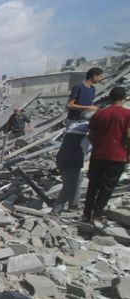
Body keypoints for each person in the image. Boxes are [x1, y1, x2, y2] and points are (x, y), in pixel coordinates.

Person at [83, 87, 130, 227]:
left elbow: (90, 136)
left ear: (110, 97)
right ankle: (97, 216)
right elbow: (128, 136)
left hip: (98, 156)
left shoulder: (99, 114)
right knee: (107, 187)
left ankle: (86, 214)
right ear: (124, 98)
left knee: (93, 185)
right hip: (117, 157)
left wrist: (98, 147)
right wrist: (128, 153)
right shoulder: (127, 114)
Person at [51, 121, 91, 216]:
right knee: (69, 186)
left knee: (78, 179)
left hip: (62, 158)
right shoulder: (90, 130)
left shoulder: (74, 126)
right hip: (73, 160)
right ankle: (56, 210)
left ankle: (73, 205)